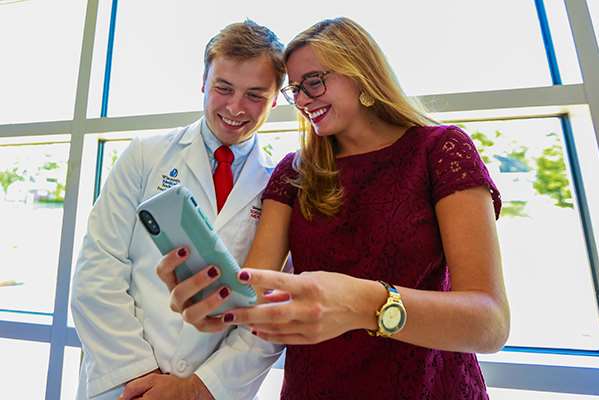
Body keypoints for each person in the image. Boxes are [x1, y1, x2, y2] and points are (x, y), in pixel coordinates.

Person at [159, 17, 510, 399]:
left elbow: (489, 323)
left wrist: (363, 304)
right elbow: (254, 287)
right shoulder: (294, 172)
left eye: (314, 81)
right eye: (296, 89)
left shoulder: (439, 151)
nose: (305, 100)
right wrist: (215, 299)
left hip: (430, 389)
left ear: (361, 73)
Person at [70, 20, 288, 400]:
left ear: (275, 97)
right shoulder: (145, 156)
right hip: (124, 383)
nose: (235, 107)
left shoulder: (278, 187)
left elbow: (268, 314)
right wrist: (141, 376)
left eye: (255, 95)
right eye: (223, 88)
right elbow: (98, 270)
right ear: (203, 82)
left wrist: (196, 388)